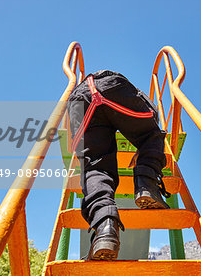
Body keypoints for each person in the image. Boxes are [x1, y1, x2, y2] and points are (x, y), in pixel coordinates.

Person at [67, 70, 171, 260]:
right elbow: (151, 117)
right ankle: (146, 185)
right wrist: (144, 152)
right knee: (152, 135)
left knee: (95, 168)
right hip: (113, 86)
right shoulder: (129, 89)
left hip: (79, 98)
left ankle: (105, 228)